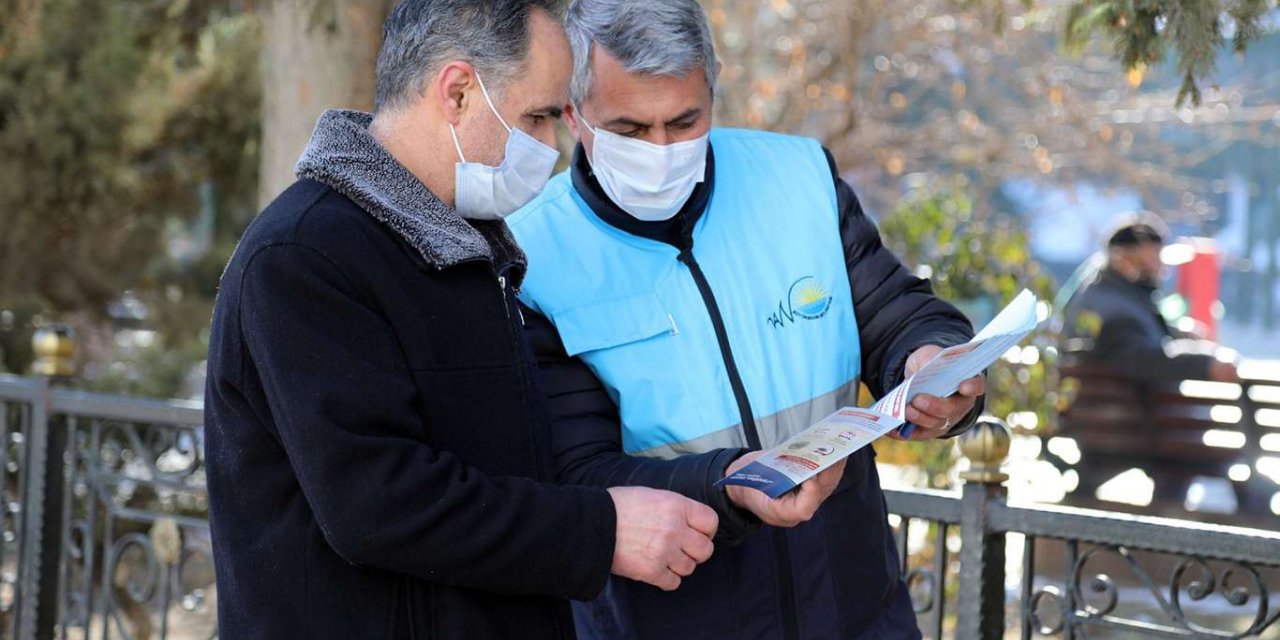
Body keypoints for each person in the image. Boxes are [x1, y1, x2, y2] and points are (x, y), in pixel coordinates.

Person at [204, 2, 720, 638]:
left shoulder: (464, 245)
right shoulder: (306, 257)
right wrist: (600, 531)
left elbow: (507, 463)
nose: (552, 147)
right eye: (537, 115)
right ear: (456, 92)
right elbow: (380, 504)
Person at [507, 1, 987, 637]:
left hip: (854, 602)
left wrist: (932, 357)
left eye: (684, 121)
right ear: (573, 114)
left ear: (713, 84)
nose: (661, 149)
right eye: (628, 129)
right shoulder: (529, 251)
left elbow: (889, 307)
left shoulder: (798, 178)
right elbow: (576, 470)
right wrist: (726, 485)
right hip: (671, 615)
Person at [1061, 212, 1240, 383]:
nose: (1159, 265)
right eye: (1152, 255)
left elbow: (1132, 337)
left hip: (1101, 409)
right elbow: (1142, 358)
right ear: (1122, 257)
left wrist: (1174, 332)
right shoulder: (1117, 311)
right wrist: (1205, 363)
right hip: (1129, 412)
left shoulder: (1102, 293)